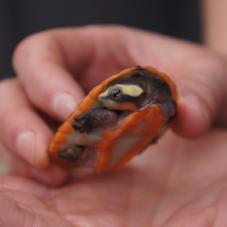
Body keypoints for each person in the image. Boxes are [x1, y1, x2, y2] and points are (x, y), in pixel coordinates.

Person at [0, 1, 226, 226]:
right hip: (99, 157)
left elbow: (171, 109)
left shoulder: (161, 97)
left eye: (115, 96)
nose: (109, 100)